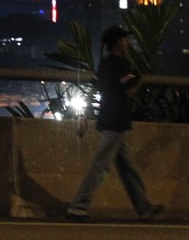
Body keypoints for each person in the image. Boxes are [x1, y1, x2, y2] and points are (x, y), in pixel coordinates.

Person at [66, 25, 164, 222]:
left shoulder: (105, 64)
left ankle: (144, 208)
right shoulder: (120, 64)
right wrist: (139, 78)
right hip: (116, 120)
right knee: (101, 165)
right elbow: (128, 89)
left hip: (107, 117)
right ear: (118, 43)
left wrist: (84, 116)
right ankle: (78, 207)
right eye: (124, 40)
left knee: (126, 167)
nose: (127, 43)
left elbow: (96, 89)